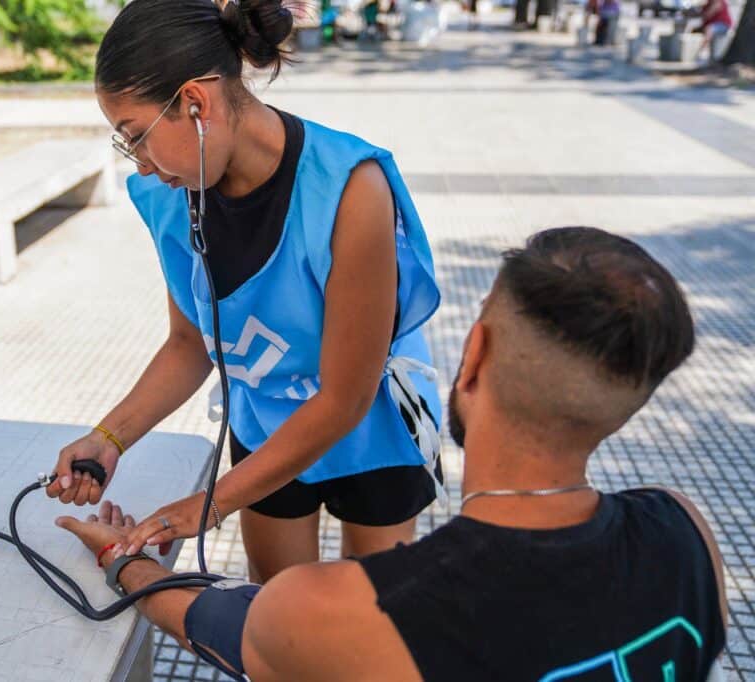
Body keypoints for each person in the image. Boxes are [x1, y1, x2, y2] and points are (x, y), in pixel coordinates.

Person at [56, 227, 728, 681]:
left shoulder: (346, 612)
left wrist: (123, 559)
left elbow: (209, 621)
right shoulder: (687, 537)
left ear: (474, 356)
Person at [46, 0, 445, 582]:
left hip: (372, 423)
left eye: (137, 137)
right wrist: (109, 437)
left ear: (196, 103)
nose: (141, 164)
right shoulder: (170, 195)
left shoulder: (348, 190)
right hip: (268, 419)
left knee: (374, 600)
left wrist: (212, 503)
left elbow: (345, 399)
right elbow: (189, 344)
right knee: (276, 599)